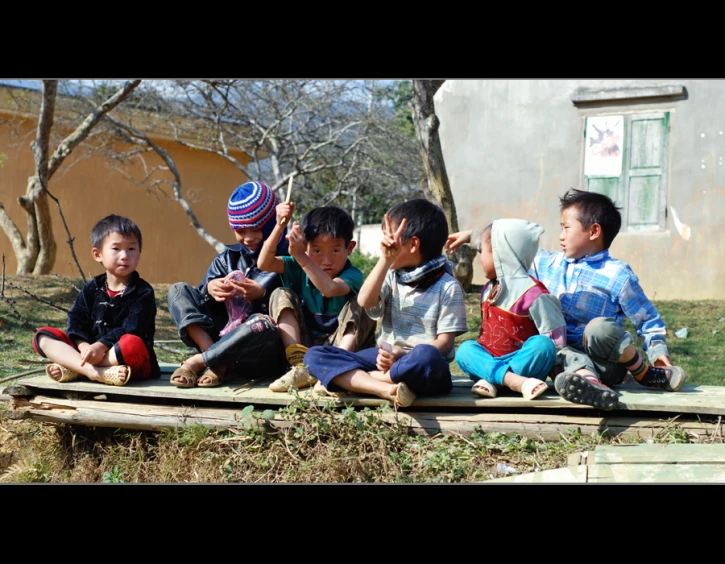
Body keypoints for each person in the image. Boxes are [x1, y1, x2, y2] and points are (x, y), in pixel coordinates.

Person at [508, 189, 684, 409]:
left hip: (607, 363)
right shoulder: (547, 263)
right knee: (552, 346)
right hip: (566, 360)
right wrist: (475, 238)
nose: (560, 235)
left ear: (593, 231)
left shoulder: (617, 275)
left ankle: (644, 373)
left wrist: (658, 352)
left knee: (599, 328)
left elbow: (647, 319)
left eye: (566, 227)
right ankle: (593, 389)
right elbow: (509, 251)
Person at [303, 199, 468, 407]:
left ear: (413, 244)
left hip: (421, 365)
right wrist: (386, 260)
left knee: (427, 356)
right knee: (314, 355)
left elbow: (444, 344)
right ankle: (386, 389)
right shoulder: (392, 275)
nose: (384, 244)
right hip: (384, 358)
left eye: (390, 239)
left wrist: (401, 355)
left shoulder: (448, 286)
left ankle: (362, 379)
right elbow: (364, 301)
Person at [166, 181, 288, 388]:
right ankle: (218, 360)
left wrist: (261, 295)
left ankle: (202, 361)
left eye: (256, 229)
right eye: (240, 230)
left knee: (261, 323)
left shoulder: (288, 259)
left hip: (257, 352)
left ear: (269, 224)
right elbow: (199, 303)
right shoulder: (227, 258)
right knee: (178, 290)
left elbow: (293, 305)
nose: (248, 238)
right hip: (221, 337)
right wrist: (209, 288)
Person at [257, 201, 376, 392]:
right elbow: (264, 263)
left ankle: (336, 369)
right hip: (306, 345)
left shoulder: (353, 275)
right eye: (317, 251)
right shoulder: (298, 267)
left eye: (335, 250)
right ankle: (298, 365)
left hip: (341, 348)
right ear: (305, 247)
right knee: (281, 293)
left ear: (350, 247)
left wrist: (302, 257)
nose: (326, 260)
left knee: (361, 303)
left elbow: (328, 288)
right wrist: (279, 225)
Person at [32, 215, 159, 386]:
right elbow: (76, 323)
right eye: (116, 249)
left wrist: (100, 346)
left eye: (131, 249)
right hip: (92, 354)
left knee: (131, 344)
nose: (124, 256)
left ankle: (76, 367)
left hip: (126, 358)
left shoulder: (143, 291)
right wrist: (85, 347)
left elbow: (132, 328)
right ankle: (96, 372)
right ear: (98, 254)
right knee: (43, 336)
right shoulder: (91, 289)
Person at [448, 219, 567, 400]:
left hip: (522, 368)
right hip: (504, 370)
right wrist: (470, 236)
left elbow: (556, 340)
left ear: (500, 255)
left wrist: (559, 375)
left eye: (483, 251)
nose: (480, 258)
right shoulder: (490, 288)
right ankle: (511, 380)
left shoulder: (535, 294)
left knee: (544, 345)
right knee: (465, 349)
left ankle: (495, 379)